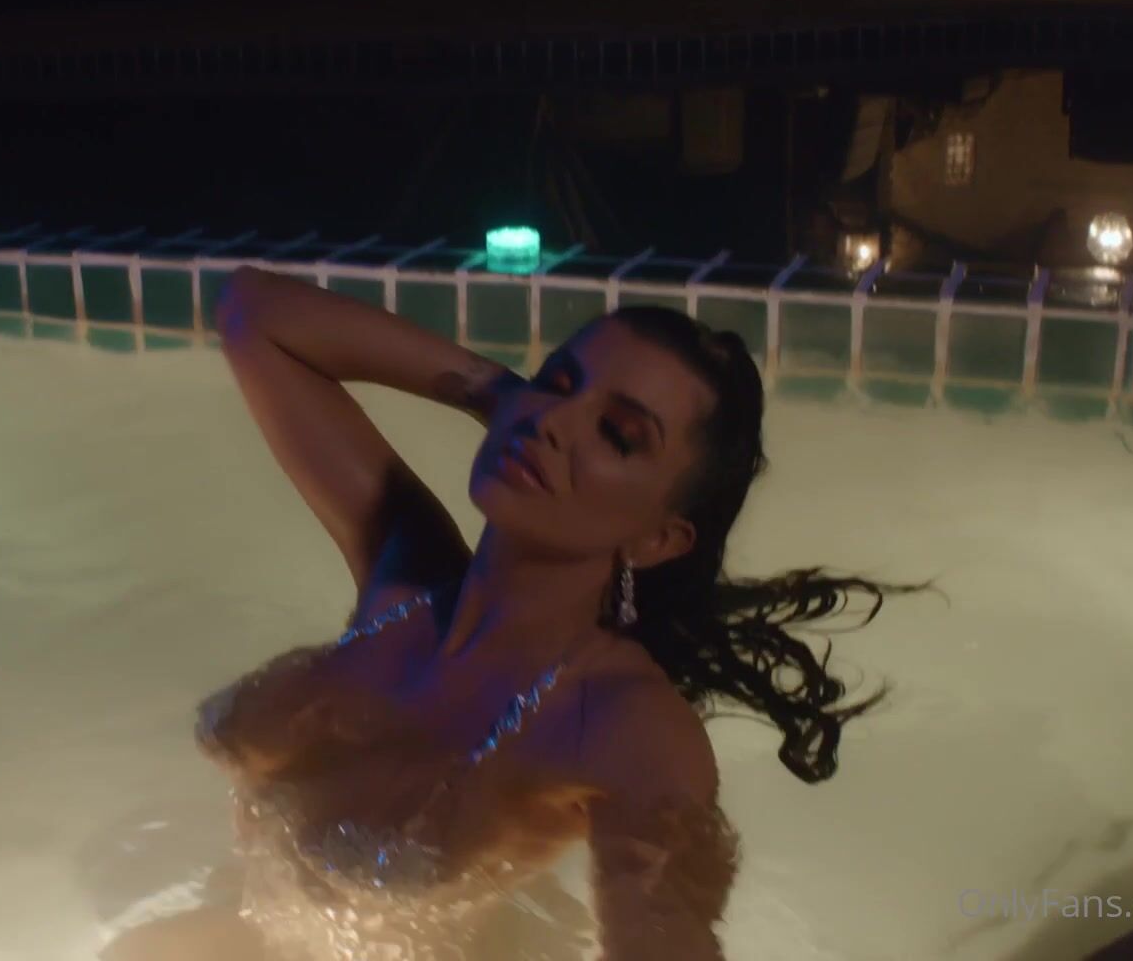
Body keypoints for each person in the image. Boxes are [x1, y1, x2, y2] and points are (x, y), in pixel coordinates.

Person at [106, 266, 922, 960]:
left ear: (658, 538)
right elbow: (253, 311)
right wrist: (496, 391)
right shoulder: (404, 582)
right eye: (557, 384)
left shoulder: (626, 725)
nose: (553, 423)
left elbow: (666, 938)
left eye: (617, 434)